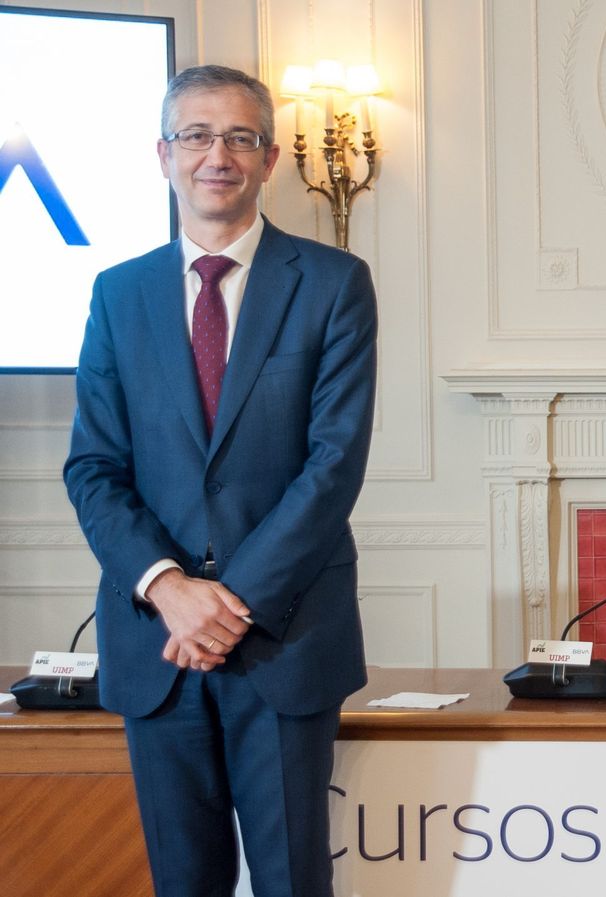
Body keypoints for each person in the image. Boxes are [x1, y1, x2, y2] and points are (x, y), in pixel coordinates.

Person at [63, 65, 377, 897]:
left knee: (291, 883)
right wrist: (170, 588)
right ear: (162, 155)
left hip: (284, 637)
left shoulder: (335, 284)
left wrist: (226, 601)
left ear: (270, 158)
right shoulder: (116, 294)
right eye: (197, 135)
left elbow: (333, 462)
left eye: (240, 137)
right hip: (154, 643)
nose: (218, 155)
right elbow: (93, 465)